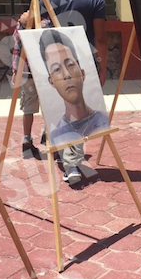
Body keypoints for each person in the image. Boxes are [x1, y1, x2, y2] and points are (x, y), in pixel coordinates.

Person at [39, 29, 108, 183]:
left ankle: (71, 165)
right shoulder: (58, 131)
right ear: (51, 81)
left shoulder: (101, 119)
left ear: (82, 73)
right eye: (56, 69)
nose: (67, 75)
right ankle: (71, 165)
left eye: (70, 65)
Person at [12, 10, 53, 160]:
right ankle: (48, 135)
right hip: (43, 71)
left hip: (27, 71)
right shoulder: (47, 24)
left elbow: (17, 48)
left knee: (29, 106)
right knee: (48, 105)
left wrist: (16, 70)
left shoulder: (21, 24)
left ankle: (27, 139)